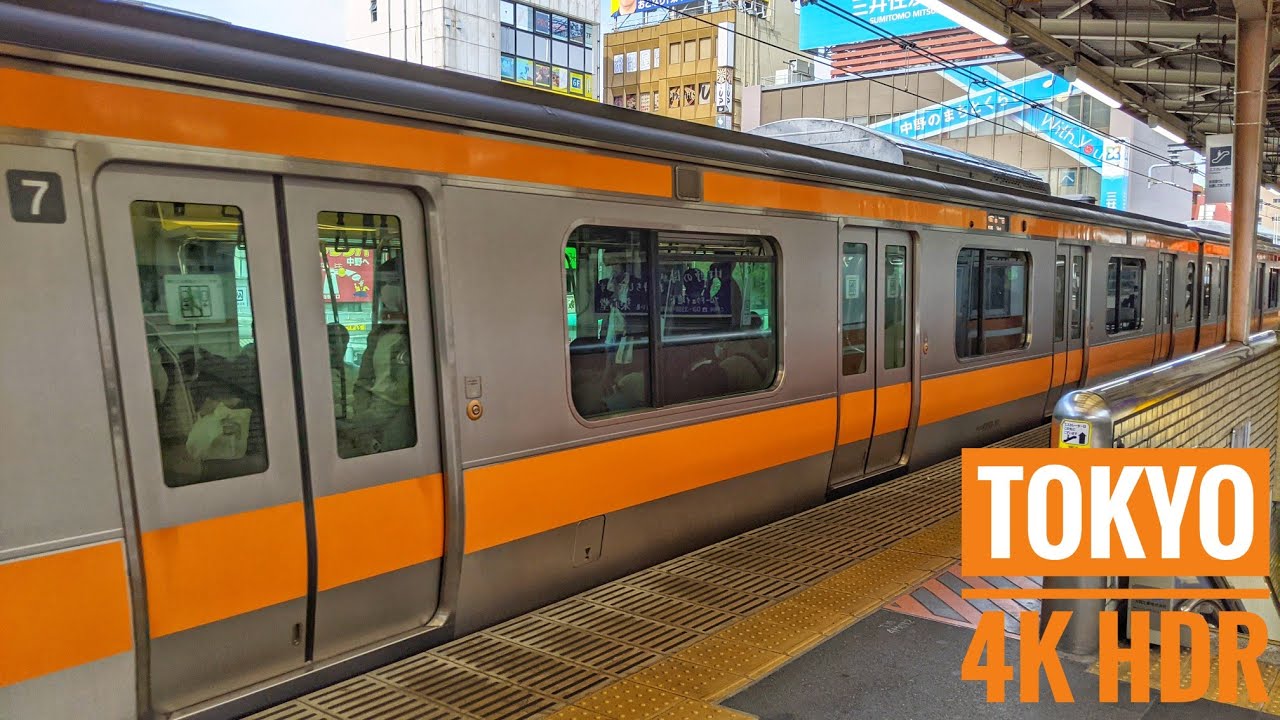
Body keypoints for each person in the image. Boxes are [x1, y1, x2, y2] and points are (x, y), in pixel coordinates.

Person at [354, 256, 415, 453]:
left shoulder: (417, 335)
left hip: (403, 420)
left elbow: (404, 394)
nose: (388, 289)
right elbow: (363, 381)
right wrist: (363, 420)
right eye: (384, 283)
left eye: (394, 282)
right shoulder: (377, 335)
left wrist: (370, 421)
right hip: (373, 417)